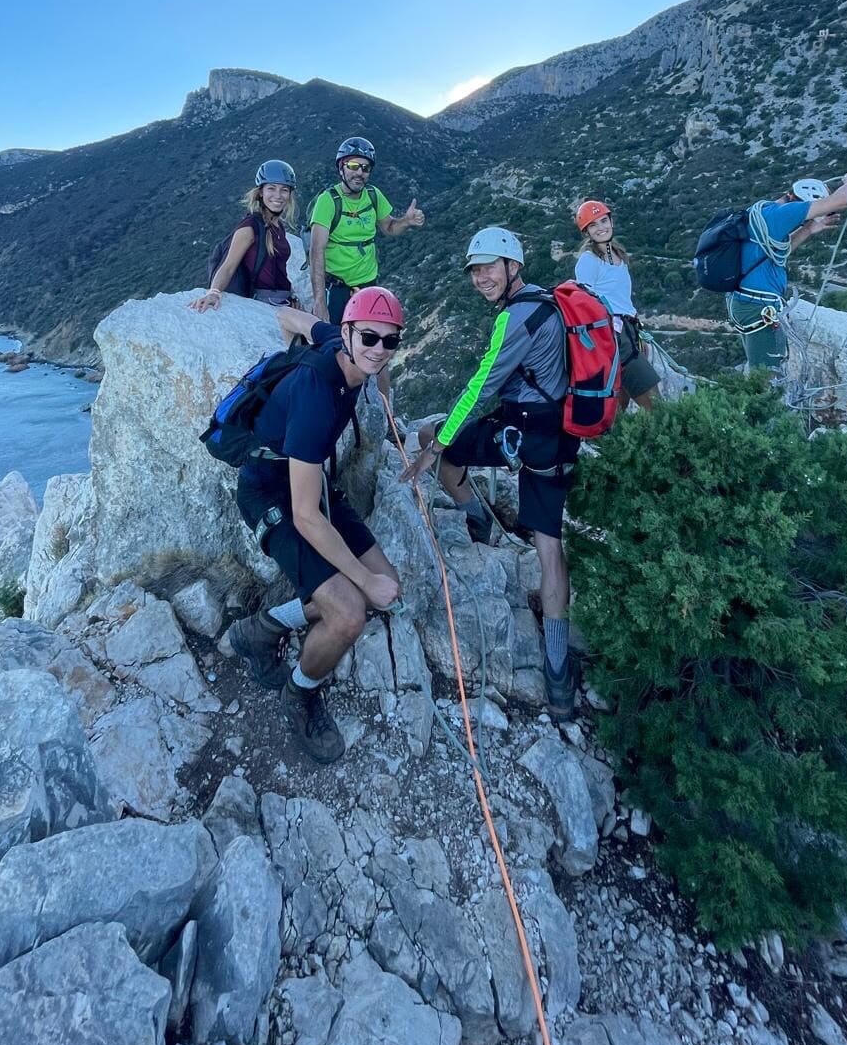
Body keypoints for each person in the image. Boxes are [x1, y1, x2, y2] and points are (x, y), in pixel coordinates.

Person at [401, 227, 580, 721]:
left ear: (512, 267)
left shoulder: (514, 318)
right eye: (475, 271)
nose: (480, 278)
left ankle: (476, 517)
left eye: (488, 268)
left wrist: (434, 445)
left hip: (519, 432)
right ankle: (559, 674)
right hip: (560, 438)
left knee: (434, 441)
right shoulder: (553, 304)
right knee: (549, 545)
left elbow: (481, 385)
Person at [227, 287, 405, 763]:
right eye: (369, 337)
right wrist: (361, 578)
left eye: (390, 341)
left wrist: (283, 329)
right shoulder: (316, 398)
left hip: (311, 485)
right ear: (349, 333)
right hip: (272, 495)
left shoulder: (337, 341)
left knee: (389, 586)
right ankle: (300, 692)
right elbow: (305, 516)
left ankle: (261, 629)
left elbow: (292, 317)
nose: (378, 350)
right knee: (350, 613)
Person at [726, 173, 847, 372]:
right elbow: (844, 200)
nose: (802, 220)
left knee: (759, 364)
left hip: (743, 302)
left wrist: (808, 230)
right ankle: (763, 403)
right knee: (767, 374)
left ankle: (755, 398)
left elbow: (775, 251)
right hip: (759, 306)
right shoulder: (785, 213)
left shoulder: (764, 211)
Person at [309, 138, 425, 324]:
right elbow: (316, 251)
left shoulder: (373, 195)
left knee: (364, 340)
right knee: (335, 341)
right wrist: (319, 301)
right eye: (353, 166)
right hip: (337, 288)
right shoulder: (328, 200)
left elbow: (388, 228)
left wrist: (406, 221)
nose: (359, 173)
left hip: (368, 285)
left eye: (365, 168)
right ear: (341, 168)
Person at [573, 199, 661, 411]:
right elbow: (583, 304)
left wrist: (636, 334)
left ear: (611, 222)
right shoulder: (588, 260)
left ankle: (613, 440)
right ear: (587, 232)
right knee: (655, 406)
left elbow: (621, 298)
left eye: (603, 221)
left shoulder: (617, 255)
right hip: (612, 335)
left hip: (628, 331)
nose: (601, 228)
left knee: (618, 403)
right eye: (593, 225)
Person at [191, 160, 299, 311]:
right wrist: (214, 293)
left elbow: (278, 269)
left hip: (283, 301)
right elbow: (228, 266)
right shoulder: (250, 226)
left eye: (284, 190)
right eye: (271, 188)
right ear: (261, 192)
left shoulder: (278, 226)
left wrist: (292, 296)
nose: (278, 195)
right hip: (264, 303)